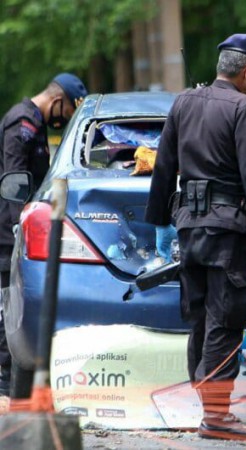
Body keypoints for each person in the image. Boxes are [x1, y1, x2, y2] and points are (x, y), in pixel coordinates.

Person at [145, 33, 246, 441]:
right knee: (227, 318)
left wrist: (159, 221)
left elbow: (163, 165)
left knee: (202, 318)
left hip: (188, 227)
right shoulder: (244, 109)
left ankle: (210, 406)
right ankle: (218, 417)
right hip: (226, 231)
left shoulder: (183, 101)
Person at [0, 73, 88, 397]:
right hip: (9, 234)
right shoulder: (22, 124)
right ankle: (7, 386)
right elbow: (13, 181)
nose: (63, 121)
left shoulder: (34, 124)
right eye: (66, 114)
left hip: (18, 232)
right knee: (8, 306)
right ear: (57, 101)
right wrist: (16, 234)